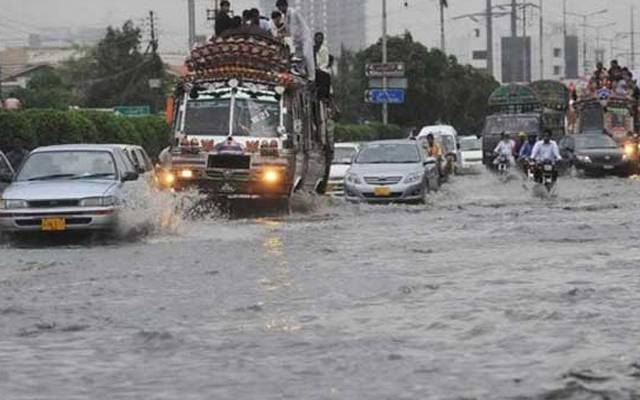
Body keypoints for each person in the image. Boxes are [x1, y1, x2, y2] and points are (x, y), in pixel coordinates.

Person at [276, 0, 316, 81]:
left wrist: (288, 38)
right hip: (297, 40)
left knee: (307, 55)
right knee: (298, 58)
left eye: (280, 7)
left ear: (285, 5)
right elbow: (286, 26)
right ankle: (302, 72)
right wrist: (279, 31)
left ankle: (312, 77)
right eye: (278, 8)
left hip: (305, 37)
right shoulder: (285, 16)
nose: (280, 10)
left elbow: (292, 28)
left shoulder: (293, 13)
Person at [314, 32, 331, 100]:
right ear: (314, 39)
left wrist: (319, 68)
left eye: (320, 38)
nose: (319, 40)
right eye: (317, 38)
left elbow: (325, 62)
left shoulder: (324, 49)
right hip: (311, 69)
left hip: (321, 69)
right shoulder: (311, 49)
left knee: (325, 76)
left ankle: (324, 96)